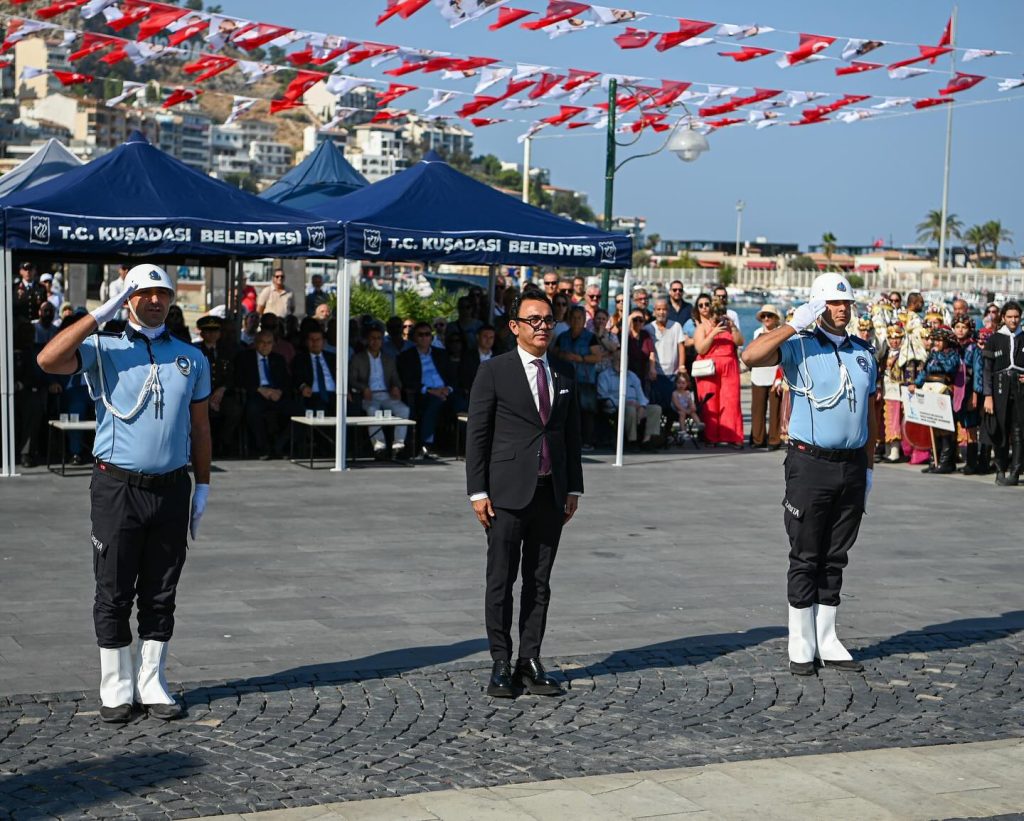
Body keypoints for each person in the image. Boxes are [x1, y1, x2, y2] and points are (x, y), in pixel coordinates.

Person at [36, 264, 211, 722]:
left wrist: (204, 485)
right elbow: (48, 360)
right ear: (127, 299)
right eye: (143, 293)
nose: (154, 301)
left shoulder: (191, 357)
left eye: (162, 294)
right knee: (113, 590)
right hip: (117, 487)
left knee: (161, 591)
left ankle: (151, 682)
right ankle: (116, 687)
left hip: (171, 488)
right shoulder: (103, 346)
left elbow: (200, 426)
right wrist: (99, 315)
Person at [741, 272, 877, 677]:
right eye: (833, 303)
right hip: (810, 463)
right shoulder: (798, 345)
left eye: (846, 303)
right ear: (818, 306)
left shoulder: (864, 352)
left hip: (851, 464)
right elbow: (751, 356)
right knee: (806, 552)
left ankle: (827, 637)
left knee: (836, 554)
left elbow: (868, 413)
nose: (841, 309)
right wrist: (792, 324)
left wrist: (870, 469)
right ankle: (800, 640)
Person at [465, 286, 583, 699]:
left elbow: (571, 434)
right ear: (514, 326)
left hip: (551, 492)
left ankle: (530, 660)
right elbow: (477, 435)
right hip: (505, 494)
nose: (542, 326)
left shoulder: (564, 373)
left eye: (548, 320)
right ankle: (501, 661)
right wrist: (477, 491)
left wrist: (574, 486)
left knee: (539, 581)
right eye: (534, 320)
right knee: (501, 579)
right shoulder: (494, 371)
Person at [350, 326, 409, 459]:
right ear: (367, 340)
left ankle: (398, 445)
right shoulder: (358, 358)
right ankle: (379, 446)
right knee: (373, 411)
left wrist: (396, 387)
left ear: (382, 341)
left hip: (386, 394)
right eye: (372, 338)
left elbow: (395, 378)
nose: (375, 341)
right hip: (368, 395)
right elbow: (352, 379)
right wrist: (363, 388)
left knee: (404, 410)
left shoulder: (388, 359)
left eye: (378, 338)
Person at [692, 297, 744, 448]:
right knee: (711, 403)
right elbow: (701, 349)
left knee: (731, 402)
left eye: (720, 313)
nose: (717, 317)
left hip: (729, 366)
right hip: (709, 368)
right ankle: (711, 437)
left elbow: (740, 342)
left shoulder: (728, 325)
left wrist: (733, 328)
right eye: (715, 314)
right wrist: (713, 333)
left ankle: (733, 436)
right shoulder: (702, 327)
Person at [982, 300, 1024, 486]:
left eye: (1016, 317)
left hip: (1020, 390)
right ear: (1003, 318)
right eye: (1010, 317)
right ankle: (1000, 469)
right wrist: (988, 396)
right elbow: (987, 370)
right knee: (1000, 429)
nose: (1013, 320)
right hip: (1000, 388)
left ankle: (1015, 472)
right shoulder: (994, 339)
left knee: (1018, 432)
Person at [909, 327, 960, 475]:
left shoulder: (953, 354)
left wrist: (938, 356)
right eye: (935, 340)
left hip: (943, 391)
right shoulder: (932, 355)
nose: (936, 343)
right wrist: (915, 384)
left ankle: (946, 462)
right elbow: (924, 372)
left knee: (945, 427)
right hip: (930, 391)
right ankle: (934, 460)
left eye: (939, 340)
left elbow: (950, 368)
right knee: (933, 426)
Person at [398, 321, 452, 459]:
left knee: (466, 404)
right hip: (423, 394)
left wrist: (448, 389)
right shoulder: (406, 356)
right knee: (434, 403)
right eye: (420, 335)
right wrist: (430, 390)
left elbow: (453, 376)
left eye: (427, 334)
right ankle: (426, 445)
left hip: (446, 391)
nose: (424, 337)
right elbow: (407, 381)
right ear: (414, 337)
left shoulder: (441, 354)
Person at [235, 330, 292, 460]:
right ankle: (263, 447)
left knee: (298, 411)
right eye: (262, 342)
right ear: (255, 343)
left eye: (269, 343)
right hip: (256, 394)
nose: (265, 346)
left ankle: (279, 446)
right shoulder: (244, 358)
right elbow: (239, 379)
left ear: (273, 344)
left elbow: (287, 381)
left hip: (276, 395)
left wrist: (280, 391)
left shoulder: (278, 359)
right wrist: (259, 389)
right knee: (253, 410)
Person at [554, 306, 601, 450]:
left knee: (587, 412)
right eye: (573, 317)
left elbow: (597, 357)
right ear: (569, 319)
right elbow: (554, 353)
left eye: (579, 318)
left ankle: (587, 441)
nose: (576, 320)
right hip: (565, 379)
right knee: (565, 411)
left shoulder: (591, 337)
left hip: (585, 380)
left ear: (584, 320)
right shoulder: (563, 336)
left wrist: (580, 358)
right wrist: (562, 355)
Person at [195, 315, 241, 459]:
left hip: (223, 394)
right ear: (202, 333)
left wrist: (223, 389)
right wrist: (206, 396)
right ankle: (205, 445)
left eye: (215, 331)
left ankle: (224, 443)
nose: (212, 334)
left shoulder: (228, 350)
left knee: (234, 411)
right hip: (201, 396)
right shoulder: (195, 350)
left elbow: (234, 374)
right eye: (208, 331)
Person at [597, 352, 661, 448]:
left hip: (636, 405)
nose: (621, 362)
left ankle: (647, 441)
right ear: (613, 360)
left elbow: (641, 395)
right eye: (619, 360)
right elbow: (603, 397)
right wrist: (624, 403)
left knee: (655, 409)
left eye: (624, 360)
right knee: (630, 409)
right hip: (616, 407)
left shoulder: (632, 376)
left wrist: (642, 406)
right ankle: (632, 440)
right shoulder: (604, 376)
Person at [953, 315, 985, 474]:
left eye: (964, 327)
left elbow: (978, 373)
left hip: (969, 389)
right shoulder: (952, 347)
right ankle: (951, 459)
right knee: (957, 425)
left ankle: (972, 463)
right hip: (955, 390)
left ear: (969, 329)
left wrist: (975, 394)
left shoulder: (973, 348)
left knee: (971, 427)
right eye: (957, 327)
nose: (960, 330)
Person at [645, 297, 686, 417]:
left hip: (673, 374)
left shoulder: (676, 326)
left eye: (664, 309)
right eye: (658, 309)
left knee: (672, 407)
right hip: (656, 374)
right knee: (657, 405)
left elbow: (681, 347)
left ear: (668, 311)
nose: (661, 312)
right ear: (654, 311)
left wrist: (681, 367)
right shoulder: (648, 328)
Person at [750, 305, 784, 450]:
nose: (766, 318)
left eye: (769, 315)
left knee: (775, 410)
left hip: (774, 376)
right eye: (763, 316)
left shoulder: (780, 333)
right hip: (758, 375)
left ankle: (774, 440)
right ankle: (758, 439)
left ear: (776, 318)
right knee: (757, 409)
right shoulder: (756, 333)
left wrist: (780, 378)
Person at [671, 371, 703, 436]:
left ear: (687, 384)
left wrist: (692, 407)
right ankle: (683, 430)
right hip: (676, 409)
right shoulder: (675, 393)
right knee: (682, 413)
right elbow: (677, 405)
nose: (681, 385)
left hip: (686, 408)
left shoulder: (687, 393)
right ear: (676, 383)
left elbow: (690, 402)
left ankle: (698, 423)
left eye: (683, 383)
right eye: (679, 383)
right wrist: (685, 410)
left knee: (693, 412)